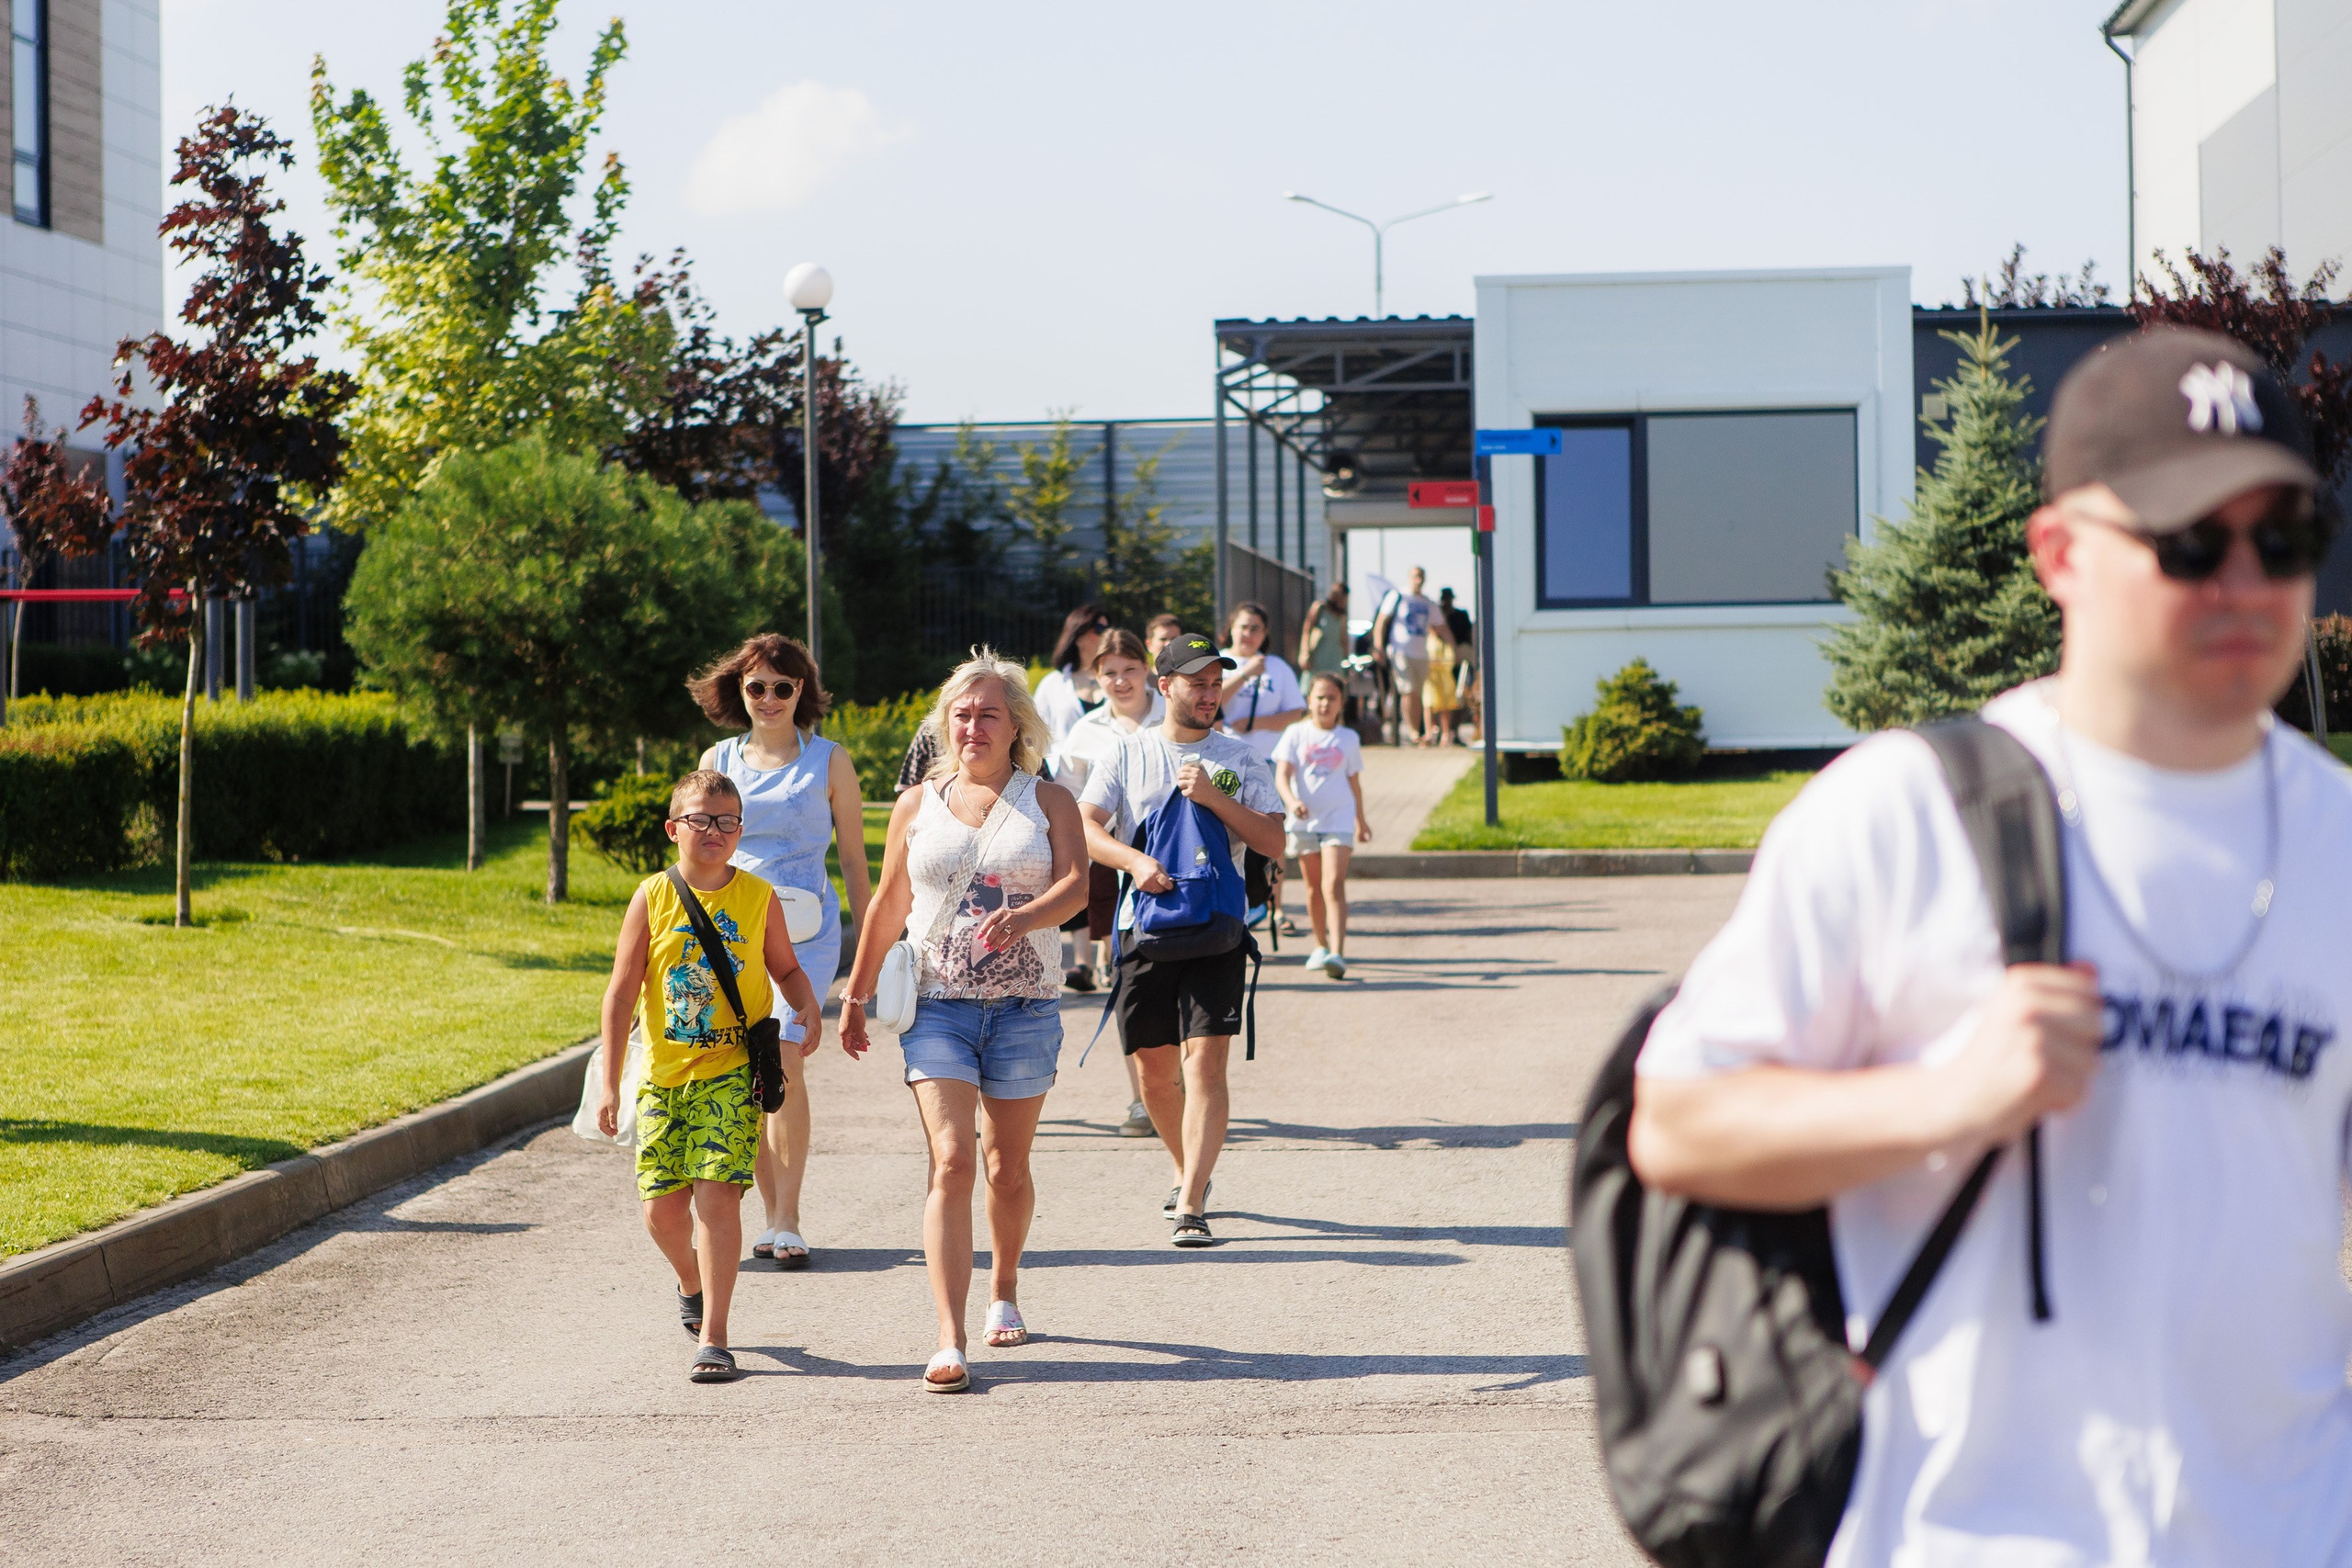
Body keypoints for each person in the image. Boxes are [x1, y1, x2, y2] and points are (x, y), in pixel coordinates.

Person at [1626, 327, 2352, 1562]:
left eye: (2282, 540)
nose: (2246, 582)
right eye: (2190, 542)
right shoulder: (1904, 809)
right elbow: (1678, 1124)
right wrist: (1945, 1095)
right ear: (2061, 552)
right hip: (1959, 1533)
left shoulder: (2337, 834)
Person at [839, 651, 1090, 1393]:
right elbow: (888, 904)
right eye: (961, 713)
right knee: (951, 1158)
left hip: (1025, 1005)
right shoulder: (919, 802)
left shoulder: (1049, 801)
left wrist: (1026, 918)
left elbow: (1076, 885)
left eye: (987, 713)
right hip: (938, 1006)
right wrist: (854, 996)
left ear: (1016, 724)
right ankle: (949, 1337)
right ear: (946, 724)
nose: (972, 725)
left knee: (1005, 1168)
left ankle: (1003, 1284)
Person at [593, 770, 822, 1384]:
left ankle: (716, 1337)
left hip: (732, 1072)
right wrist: (612, 1081)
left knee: (717, 1195)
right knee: (661, 1211)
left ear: (740, 829)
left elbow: (787, 967)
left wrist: (806, 1002)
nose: (714, 830)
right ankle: (690, 1279)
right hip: (666, 1075)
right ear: (674, 828)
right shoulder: (652, 896)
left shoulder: (757, 896)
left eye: (726, 820)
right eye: (700, 818)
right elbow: (620, 994)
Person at [1080, 632, 1286, 1248]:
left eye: (1215, 681)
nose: (1208, 692)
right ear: (1163, 686)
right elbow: (1086, 828)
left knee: (1206, 1066)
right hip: (1141, 926)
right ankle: (1183, 1163)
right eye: (1195, 681)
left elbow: (1273, 842)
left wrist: (1216, 798)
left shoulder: (1241, 758)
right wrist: (1136, 863)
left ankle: (1192, 1199)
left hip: (1218, 928)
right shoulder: (1127, 752)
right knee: (1154, 1075)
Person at [690, 634, 871, 1270]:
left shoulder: (830, 761)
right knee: (746, 1067)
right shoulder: (720, 757)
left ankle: (789, 1217)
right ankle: (770, 1217)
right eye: (756, 686)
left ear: (803, 692)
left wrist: (870, 944)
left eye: (783, 686)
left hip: (807, 930)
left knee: (785, 1052)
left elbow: (853, 855)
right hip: (732, 930)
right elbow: (694, 844)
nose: (769, 698)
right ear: (739, 692)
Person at [1046, 628, 1164, 1136]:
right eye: (1109, 672)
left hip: (1176, 864)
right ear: (1095, 677)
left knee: (1179, 982)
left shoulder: (1172, 716)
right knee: (1129, 985)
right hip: (1116, 874)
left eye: (1129, 669)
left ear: (1148, 670)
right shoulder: (1086, 735)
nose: (1120, 681)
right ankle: (1143, 1099)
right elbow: (1070, 809)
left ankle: (1171, 1083)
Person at [1272, 671, 1371, 977]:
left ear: (1341, 703)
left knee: (1333, 885)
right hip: (1303, 824)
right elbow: (1282, 776)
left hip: (1338, 820)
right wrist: (1291, 802)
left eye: (1332, 698)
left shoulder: (1348, 739)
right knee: (1313, 889)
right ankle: (1321, 946)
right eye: (1319, 697)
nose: (1325, 704)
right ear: (1309, 700)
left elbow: (1354, 783)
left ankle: (1338, 953)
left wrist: (1361, 821)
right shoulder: (1295, 734)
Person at [1219, 601, 1306, 933]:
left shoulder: (1278, 668)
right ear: (1231, 628)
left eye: (1256, 628)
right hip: (1227, 760)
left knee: (1270, 833)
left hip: (1268, 760)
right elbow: (1215, 701)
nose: (1249, 634)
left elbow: (1295, 711)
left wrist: (1254, 721)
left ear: (1265, 633)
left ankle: (1275, 907)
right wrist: (1244, 674)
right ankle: (1233, 905)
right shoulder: (1221, 662)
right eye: (1243, 627)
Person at [1371, 568, 1453, 746]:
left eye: (1421, 577)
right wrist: (1378, 646)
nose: (1418, 580)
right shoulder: (1397, 596)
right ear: (1409, 578)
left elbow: (1442, 627)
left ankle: (1418, 731)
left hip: (1422, 653)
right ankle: (1413, 731)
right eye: (1415, 576)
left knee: (1418, 693)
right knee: (1407, 690)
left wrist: (1454, 649)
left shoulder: (1428, 603)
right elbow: (1381, 622)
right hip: (1401, 651)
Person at [1032, 604, 1111, 745]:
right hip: (1065, 766)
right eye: (1099, 629)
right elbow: (1034, 734)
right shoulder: (1052, 685)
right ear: (1079, 637)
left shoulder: (1118, 678)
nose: (1106, 636)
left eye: (1108, 630)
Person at [1296, 582, 1350, 683]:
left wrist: (1347, 660)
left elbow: (1344, 639)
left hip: (1335, 658)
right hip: (1318, 655)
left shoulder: (1342, 616)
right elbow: (1307, 631)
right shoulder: (1319, 608)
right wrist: (1304, 652)